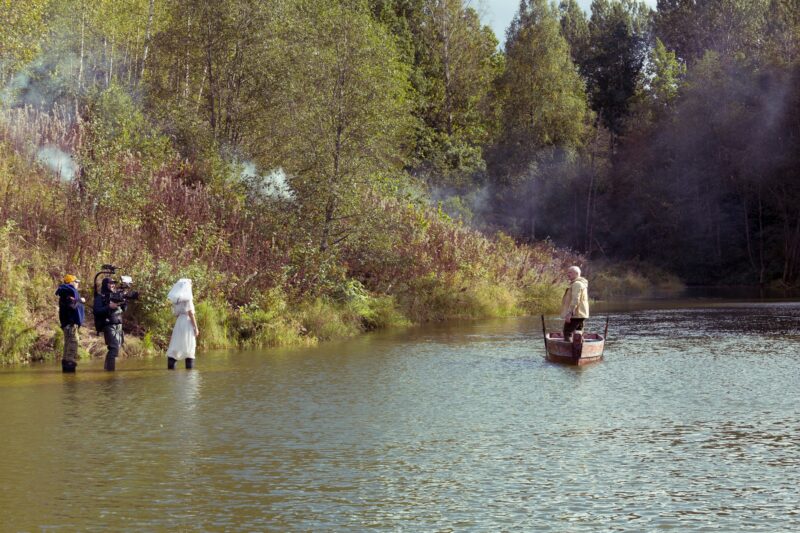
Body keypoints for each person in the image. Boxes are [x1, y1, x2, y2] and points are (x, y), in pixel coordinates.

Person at [93, 277, 126, 371]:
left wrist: (124, 303)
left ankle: (107, 370)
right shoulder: (100, 297)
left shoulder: (116, 295)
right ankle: (110, 372)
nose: (113, 285)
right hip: (108, 325)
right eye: (110, 283)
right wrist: (109, 307)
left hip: (118, 325)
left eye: (114, 283)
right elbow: (96, 311)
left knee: (116, 347)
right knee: (114, 348)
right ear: (105, 285)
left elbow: (123, 309)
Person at [166, 278, 199, 370]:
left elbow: (175, 314)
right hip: (187, 322)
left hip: (179, 322)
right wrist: (195, 327)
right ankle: (189, 371)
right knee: (189, 345)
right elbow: (191, 314)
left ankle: (171, 368)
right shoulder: (188, 299)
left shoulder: (177, 300)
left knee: (176, 343)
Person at [55, 274, 85, 373]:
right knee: (73, 344)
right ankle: (69, 369)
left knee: (68, 345)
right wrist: (80, 300)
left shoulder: (65, 292)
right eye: (76, 282)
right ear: (71, 282)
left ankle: (66, 371)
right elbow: (72, 306)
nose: (77, 284)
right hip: (70, 325)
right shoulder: (69, 292)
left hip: (67, 324)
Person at [560, 265, 589, 341]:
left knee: (567, 332)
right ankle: (581, 350)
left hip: (576, 314)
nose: (568, 274)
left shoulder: (577, 284)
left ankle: (569, 351)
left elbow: (576, 299)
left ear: (576, 274)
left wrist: (570, 313)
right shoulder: (579, 283)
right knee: (578, 334)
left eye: (570, 272)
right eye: (568, 272)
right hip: (580, 314)